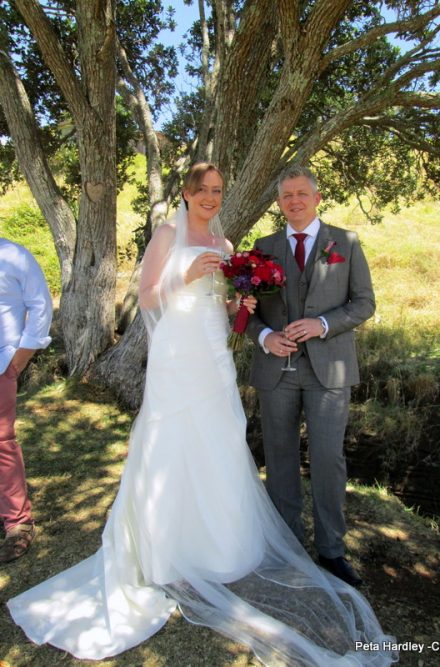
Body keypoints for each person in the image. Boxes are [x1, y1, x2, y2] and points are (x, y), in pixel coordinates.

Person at [8, 164, 395, 665]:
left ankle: (230, 543)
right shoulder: (169, 235)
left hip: (215, 353)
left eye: (217, 190)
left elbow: (237, 310)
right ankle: (169, 546)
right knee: (172, 441)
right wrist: (185, 276)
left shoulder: (231, 243)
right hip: (178, 353)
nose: (211, 197)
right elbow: (147, 297)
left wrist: (243, 305)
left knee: (221, 439)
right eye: (203, 190)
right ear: (187, 194)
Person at [247, 164, 375, 587]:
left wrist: (322, 325)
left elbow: (364, 303)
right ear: (279, 202)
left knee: (327, 459)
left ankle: (332, 551)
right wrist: (265, 336)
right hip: (275, 371)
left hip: (330, 369)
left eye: (302, 193)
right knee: (280, 460)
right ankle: (286, 545)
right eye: (287, 196)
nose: (294, 201)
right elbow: (245, 313)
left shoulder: (347, 243)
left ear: (316, 198)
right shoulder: (262, 247)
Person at [0, 238, 52, 564]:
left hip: (1, 363)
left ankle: (17, 522)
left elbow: (41, 306)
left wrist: (17, 360)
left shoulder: (13, 256)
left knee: (1, 443)